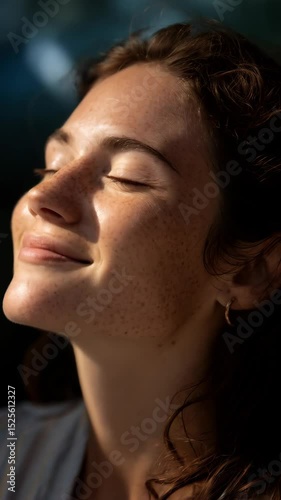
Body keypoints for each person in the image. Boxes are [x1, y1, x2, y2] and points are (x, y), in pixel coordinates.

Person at [1, 18, 281, 500]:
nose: (44, 195)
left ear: (250, 270)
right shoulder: (10, 453)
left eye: (129, 177)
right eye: (51, 163)